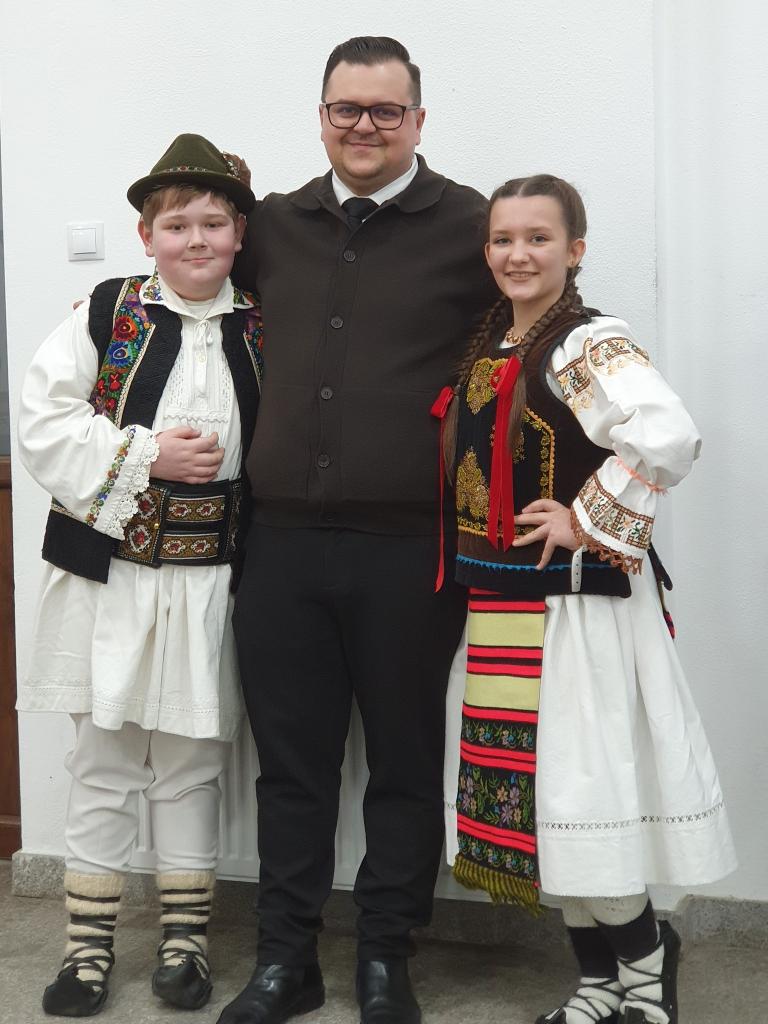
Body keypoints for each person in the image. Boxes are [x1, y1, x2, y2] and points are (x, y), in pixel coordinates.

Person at [219, 36, 496, 1024]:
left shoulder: (471, 225)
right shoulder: (274, 225)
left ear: (418, 120)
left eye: (386, 110)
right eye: (347, 109)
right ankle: (285, 962)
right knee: (292, 768)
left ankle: (386, 957)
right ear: (322, 116)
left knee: (404, 762)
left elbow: (535, 338)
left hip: (412, 550)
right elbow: (196, 282)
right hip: (280, 545)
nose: (365, 126)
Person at [439, 174, 736, 1024]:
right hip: (502, 605)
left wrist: (585, 518)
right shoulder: (495, 343)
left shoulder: (585, 343)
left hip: (573, 612)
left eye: (538, 238)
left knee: (580, 796)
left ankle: (645, 978)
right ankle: (599, 984)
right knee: (537, 806)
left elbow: (667, 435)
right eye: (503, 239)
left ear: (574, 251)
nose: (518, 254)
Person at [17, 133, 262, 1017]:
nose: (195, 240)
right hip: (109, 576)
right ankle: (86, 951)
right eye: (176, 225)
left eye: (213, 223)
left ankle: (185, 943)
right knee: (104, 758)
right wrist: (146, 453)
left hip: (210, 580)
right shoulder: (107, 311)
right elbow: (42, 417)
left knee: (191, 761)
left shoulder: (264, 323)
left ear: (240, 233)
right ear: (145, 234)